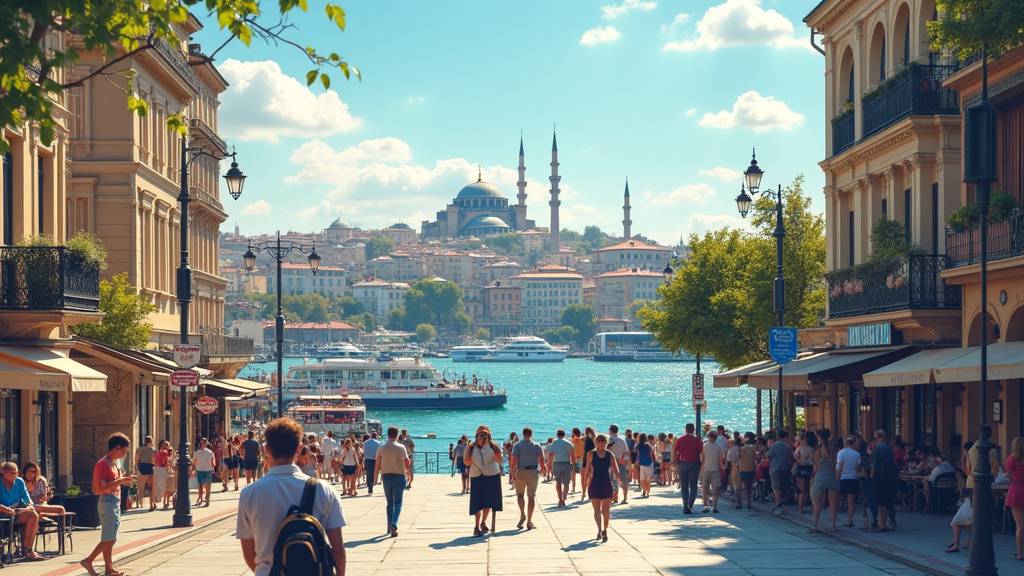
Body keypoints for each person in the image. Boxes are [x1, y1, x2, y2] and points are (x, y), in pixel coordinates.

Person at [236, 417, 346, 576]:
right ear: (299, 448)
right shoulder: (324, 490)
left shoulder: (249, 493)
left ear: (266, 449)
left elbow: (249, 553)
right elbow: (338, 550)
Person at [80, 433, 135, 576]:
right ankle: (102, 566)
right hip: (107, 501)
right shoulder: (103, 463)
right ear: (117, 447)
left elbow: (113, 483)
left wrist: (123, 480)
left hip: (114, 502)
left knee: (111, 537)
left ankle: (100, 565)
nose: (124, 454)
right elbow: (100, 488)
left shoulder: (113, 463)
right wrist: (121, 481)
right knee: (109, 537)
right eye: (124, 450)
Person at [0, 461, 44, 562]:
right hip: (2, 513)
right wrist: (2, 508)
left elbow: (27, 498)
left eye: (16, 473)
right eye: (12, 473)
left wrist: (29, 506)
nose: (15, 475)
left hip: (15, 511)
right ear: (3, 473)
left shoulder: (19, 482)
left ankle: (28, 551)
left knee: (33, 515)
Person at [465, 425, 503, 537]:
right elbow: (466, 462)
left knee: (488, 502)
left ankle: (483, 522)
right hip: (477, 476)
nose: (482, 436)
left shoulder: (493, 445)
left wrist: (491, 445)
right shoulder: (471, 446)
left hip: (491, 475)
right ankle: (476, 526)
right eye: (480, 434)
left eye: (485, 434)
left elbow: (500, 460)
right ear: (476, 435)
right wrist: (475, 446)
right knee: (477, 503)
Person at [584, 434, 621, 543]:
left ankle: (605, 530)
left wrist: (619, 481)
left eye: (603, 441)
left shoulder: (610, 454)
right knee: (596, 510)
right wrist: (585, 482)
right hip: (594, 483)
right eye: (599, 441)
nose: (601, 443)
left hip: (606, 484)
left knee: (605, 511)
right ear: (596, 442)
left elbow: (616, 470)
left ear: (606, 443)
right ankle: (599, 530)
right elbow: (587, 469)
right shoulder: (590, 454)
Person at [375, 426, 410, 537]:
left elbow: (377, 464)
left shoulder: (381, 447)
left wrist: (375, 478)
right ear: (396, 434)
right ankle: (394, 524)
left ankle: (388, 526)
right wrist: (408, 473)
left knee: (389, 503)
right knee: (398, 503)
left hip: (386, 477)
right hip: (399, 476)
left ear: (388, 434)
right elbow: (406, 462)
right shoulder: (401, 447)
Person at [510, 427, 543, 530]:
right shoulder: (537, 446)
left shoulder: (517, 445)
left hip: (521, 471)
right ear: (531, 434)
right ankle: (529, 521)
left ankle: (522, 514)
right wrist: (542, 470)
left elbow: (513, 461)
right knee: (531, 497)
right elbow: (542, 460)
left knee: (520, 495)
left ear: (523, 434)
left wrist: (512, 473)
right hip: (533, 472)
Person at [809, 430, 839, 533]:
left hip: (820, 477)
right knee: (833, 504)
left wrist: (812, 477)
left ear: (820, 438)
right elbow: (835, 464)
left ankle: (815, 525)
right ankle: (833, 526)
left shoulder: (818, 450)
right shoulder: (833, 449)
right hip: (832, 477)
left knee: (817, 503)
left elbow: (816, 467)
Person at [870, 429, 896, 532]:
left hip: (879, 477)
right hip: (890, 476)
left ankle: (882, 523)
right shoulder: (889, 448)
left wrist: (871, 477)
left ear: (877, 437)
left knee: (881, 502)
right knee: (889, 499)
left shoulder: (877, 448)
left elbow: (873, 465)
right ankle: (891, 521)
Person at [673, 423, 702, 514]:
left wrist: (675, 462)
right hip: (694, 464)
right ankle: (690, 505)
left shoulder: (680, 439)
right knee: (693, 486)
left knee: (684, 486)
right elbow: (702, 453)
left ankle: (685, 504)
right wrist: (702, 463)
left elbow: (676, 452)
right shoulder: (697, 440)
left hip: (683, 464)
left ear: (685, 429)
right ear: (693, 430)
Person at [836, 435, 861, 527]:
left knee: (837, 498)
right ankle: (850, 520)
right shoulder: (857, 454)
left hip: (843, 478)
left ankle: (834, 519)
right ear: (852, 443)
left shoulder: (841, 453)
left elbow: (839, 467)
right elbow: (858, 468)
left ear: (845, 443)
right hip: (853, 478)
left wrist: (837, 477)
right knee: (851, 501)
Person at [1005, 436, 1023, 561]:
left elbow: (1008, 475)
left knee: (1020, 525)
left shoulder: (1012, 458)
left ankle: (1020, 553)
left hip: (1016, 490)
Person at [767, 430, 793, 516]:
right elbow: (790, 457)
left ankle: (778, 506)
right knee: (782, 488)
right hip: (785, 468)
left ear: (777, 436)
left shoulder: (775, 445)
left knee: (776, 488)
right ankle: (779, 505)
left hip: (775, 468)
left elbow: (769, 455)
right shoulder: (787, 447)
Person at [547, 429, 575, 507]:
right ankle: (564, 497)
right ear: (564, 435)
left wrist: (549, 464)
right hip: (566, 463)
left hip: (556, 464)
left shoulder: (554, 443)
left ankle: (560, 499)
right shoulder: (569, 443)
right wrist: (573, 465)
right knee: (566, 483)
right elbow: (572, 455)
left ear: (557, 435)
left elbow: (550, 453)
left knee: (558, 482)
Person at [700, 430, 725, 513]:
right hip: (715, 470)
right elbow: (720, 460)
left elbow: (702, 459)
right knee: (715, 489)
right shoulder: (718, 447)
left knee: (705, 489)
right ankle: (713, 506)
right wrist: (722, 467)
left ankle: (706, 506)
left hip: (707, 469)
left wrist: (701, 469)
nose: (712, 438)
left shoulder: (705, 446)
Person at [606, 424, 630, 505]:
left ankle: (615, 498)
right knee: (624, 481)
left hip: (612, 463)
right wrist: (624, 461)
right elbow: (626, 452)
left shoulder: (610, 440)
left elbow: (607, 452)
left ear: (610, 431)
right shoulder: (622, 439)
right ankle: (625, 498)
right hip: (621, 462)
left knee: (613, 481)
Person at [794, 431, 815, 514]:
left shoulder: (799, 448)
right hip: (809, 468)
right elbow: (813, 460)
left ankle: (800, 508)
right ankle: (813, 506)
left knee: (802, 490)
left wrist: (800, 460)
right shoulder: (812, 449)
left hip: (801, 467)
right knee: (809, 489)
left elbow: (795, 457)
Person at [135, 436, 156, 510]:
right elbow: (155, 459)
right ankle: (152, 504)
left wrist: (137, 465)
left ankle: (141, 503)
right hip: (149, 467)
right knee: (151, 487)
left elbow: (137, 458)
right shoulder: (152, 450)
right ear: (151, 441)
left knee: (141, 486)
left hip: (142, 467)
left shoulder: (140, 449)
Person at [193, 437, 216, 507]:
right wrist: (213, 469)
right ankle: (207, 501)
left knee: (200, 485)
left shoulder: (197, 452)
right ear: (206, 443)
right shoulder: (210, 452)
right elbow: (213, 463)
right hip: (208, 470)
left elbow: (194, 462)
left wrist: (194, 469)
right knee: (208, 486)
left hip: (200, 470)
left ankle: (200, 499)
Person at [737, 432, 756, 510]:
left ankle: (739, 502)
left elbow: (738, 456)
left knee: (740, 487)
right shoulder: (754, 447)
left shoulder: (743, 448)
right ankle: (749, 503)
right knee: (749, 487)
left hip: (743, 469)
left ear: (747, 438)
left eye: (744, 437)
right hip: (751, 469)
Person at [153, 440, 172, 508]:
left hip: (156, 470)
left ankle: (155, 502)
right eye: (166, 445)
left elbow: (155, 461)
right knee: (164, 486)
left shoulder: (157, 452)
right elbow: (164, 463)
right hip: (162, 470)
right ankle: (163, 502)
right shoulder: (165, 453)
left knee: (157, 486)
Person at [635, 433, 655, 498]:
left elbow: (638, 454)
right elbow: (652, 453)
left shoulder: (638, 445)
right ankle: (648, 492)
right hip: (649, 463)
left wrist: (636, 462)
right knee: (648, 478)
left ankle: (644, 490)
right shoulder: (648, 445)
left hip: (642, 463)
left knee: (643, 478)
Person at [363, 431, 381, 495]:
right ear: (376, 436)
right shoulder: (378, 443)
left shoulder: (365, 442)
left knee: (368, 474)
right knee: (374, 474)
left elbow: (364, 452)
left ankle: (369, 487)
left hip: (367, 459)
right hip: (375, 460)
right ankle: (371, 486)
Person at [580, 427, 596, 501]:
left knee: (585, 477)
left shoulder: (587, 439)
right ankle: (588, 494)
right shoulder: (592, 439)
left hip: (586, 459)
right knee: (589, 478)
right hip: (592, 459)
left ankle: (584, 493)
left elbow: (579, 440)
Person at [571, 428, 585, 493]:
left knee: (574, 474)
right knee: (581, 474)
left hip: (576, 458)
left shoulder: (575, 439)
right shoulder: (582, 440)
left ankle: (573, 488)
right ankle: (583, 489)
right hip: (581, 458)